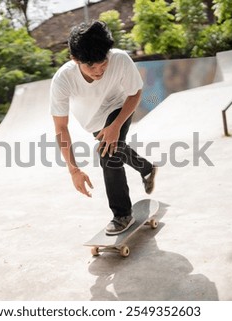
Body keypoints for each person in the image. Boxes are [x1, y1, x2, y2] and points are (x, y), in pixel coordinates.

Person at [50, 20, 157, 235]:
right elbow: (61, 127)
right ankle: (147, 168)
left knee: (108, 153)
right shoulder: (62, 80)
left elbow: (135, 92)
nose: (99, 71)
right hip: (93, 121)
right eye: (91, 66)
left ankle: (122, 214)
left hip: (118, 107)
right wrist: (74, 170)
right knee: (115, 147)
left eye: (103, 64)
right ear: (75, 59)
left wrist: (116, 124)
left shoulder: (119, 58)